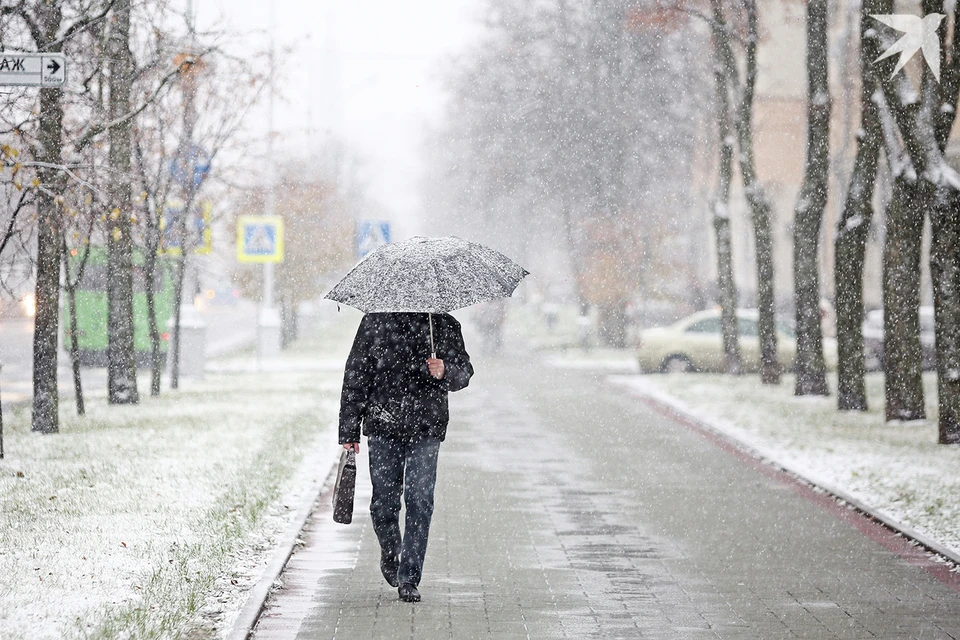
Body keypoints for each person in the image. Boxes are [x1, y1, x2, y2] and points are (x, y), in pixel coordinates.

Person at [338, 312, 473, 603]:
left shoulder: (443, 324)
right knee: (384, 503)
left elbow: (464, 372)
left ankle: (409, 577)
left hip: (426, 427)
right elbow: (356, 374)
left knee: (420, 499)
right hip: (383, 424)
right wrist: (349, 429)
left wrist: (445, 370)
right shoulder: (375, 322)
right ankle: (391, 551)